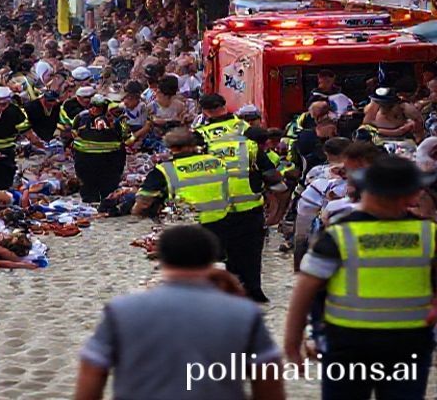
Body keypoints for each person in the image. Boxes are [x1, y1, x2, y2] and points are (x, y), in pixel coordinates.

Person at [285, 156, 437, 400]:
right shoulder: (428, 233)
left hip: (347, 342)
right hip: (409, 342)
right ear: (411, 195)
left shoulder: (339, 234)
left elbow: (305, 289)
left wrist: (292, 341)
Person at [75, 225, 283, 400]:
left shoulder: (121, 310)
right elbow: (268, 382)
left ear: (161, 259)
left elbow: (91, 375)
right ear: (212, 260)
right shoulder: (244, 314)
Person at [195, 93, 280, 302]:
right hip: (248, 208)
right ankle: (253, 292)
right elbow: (272, 175)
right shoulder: (247, 132)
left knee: (215, 254)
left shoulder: (199, 136)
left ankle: (222, 294)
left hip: (214, 208)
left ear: (204, 111)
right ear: (225, 106)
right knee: (250, 255)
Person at [133, 129, 229, 221]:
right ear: (193, 144)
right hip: (220, 219)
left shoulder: (164, 169)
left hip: (187, 225)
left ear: (170, 147)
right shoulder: (216, 161)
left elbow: (142, 204)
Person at [71, 95, 132, 204]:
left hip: (99, 159)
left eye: (97, 107)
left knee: (98, 187)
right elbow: (126, 137)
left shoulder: (80, 117)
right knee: (97, 187)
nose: (94, 110)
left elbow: (74, 133)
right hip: (98, 159)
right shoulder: (119, 119)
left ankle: (99, 203)